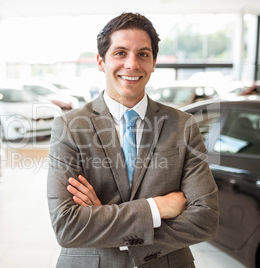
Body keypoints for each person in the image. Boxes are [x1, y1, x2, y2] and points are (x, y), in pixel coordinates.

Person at [47, 12, 219, 268]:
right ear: (100, 61)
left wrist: (104, 222)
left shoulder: (183, 125)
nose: (132, 64)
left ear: (153, 62)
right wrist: (155, 209)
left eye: (143, 54)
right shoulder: (69, 127)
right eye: (120, 53)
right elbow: (68, 226)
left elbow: (205, 218)